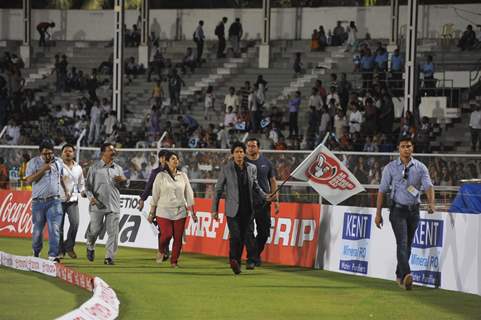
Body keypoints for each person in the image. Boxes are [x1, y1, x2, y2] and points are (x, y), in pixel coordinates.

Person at [375, 135, 436, 290]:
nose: (406, 149)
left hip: (414, 211)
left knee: (408, 245)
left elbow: (428, 186)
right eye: (403, 146)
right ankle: (407, 274)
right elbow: (382, 191)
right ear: (398, 149)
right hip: (397, 210)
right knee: (402, 242)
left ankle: (399, 275)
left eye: (408, 146)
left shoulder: (421, 167)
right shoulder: (390, 168)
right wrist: (378, 213)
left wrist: (431, 203)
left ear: (412, 148)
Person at [211, 142, 269, 274]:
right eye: (236, 152)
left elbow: (256, 186)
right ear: (232, 154)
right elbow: (218, 190)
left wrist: (265, 196)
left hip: (248, 209)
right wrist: (214, 210)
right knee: (236, 236)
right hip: (232, 210)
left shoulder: (251, 168)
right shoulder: (226, 169)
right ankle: (234, 260)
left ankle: (242, 261)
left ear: (244, 153)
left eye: (241, 152)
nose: (239, 154)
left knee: (246, 237)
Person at [149, 152, 197, 268]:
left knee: (178, 238)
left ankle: (174, 262)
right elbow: (155, 195)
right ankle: (161, 250)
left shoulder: (183, 175)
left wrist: (193, 212)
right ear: (167, 161)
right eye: (173, 159)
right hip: (163, 210)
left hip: (180, 210)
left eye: (177, 159)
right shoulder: (160, 176)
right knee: (167, 235)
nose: (176, 161)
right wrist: (152, 212)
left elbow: (189, 194)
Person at [85, 143, 127, 265]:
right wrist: (91, 198)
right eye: (110, 150)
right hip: (97, 205)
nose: (113, 152)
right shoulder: (94, 168)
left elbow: (123, 185)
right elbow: (87, 187)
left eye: (114, 150)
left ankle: (109, 257)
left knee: (113, 233)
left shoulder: (118, 168)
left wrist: (124, 181)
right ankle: (90, 245)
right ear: (103, 152)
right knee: (95, 230)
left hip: (114, 205)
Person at [25, 141, 67, 262]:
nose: (48, 156)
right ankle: (36, 252)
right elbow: (29, 181)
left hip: (54, 200)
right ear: (40, 153)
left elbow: (60, 177)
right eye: (45, 154)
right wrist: (43, 169)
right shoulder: (33, 163)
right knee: (38, 231)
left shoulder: (58, 162)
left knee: (54, 229)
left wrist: (66, 190)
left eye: (50, 153)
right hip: (38, 202)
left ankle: (53, 256)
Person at [245, 138, 279, 266]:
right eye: (248, 146)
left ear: (258, 147)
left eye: (253, 146)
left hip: (264, 202)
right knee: (248, 231)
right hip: (247, 202)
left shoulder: (266, 162)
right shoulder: (243, 162)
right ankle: (252, 260)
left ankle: (254, 256)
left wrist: (276, 200)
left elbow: (273, 181)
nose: (250, 148)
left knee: (264, 232)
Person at [138, 150, 167, 262]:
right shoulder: (155, 172)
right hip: (159, 205)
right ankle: (162, 251)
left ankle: (164, 251)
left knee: (169, 231)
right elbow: (148, 186)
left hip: (173, 205)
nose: (165, 159)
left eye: (167, 157)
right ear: (159, 159)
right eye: (163, 157)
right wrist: (142, 199)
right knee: (163, 230)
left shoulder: (175, 172)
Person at [59, 144, 85, 259]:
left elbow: (81, 184)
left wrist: (83, 192)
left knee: (75, 223)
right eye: (65, 151)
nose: (68, 153)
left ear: (73, 153)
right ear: (61, 153)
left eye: (70, 151)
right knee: (59, 227)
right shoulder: (57, 166)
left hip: (73, 200)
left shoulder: (78, 168)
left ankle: (69, 246)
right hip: (58, 200)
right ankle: (60, 251)